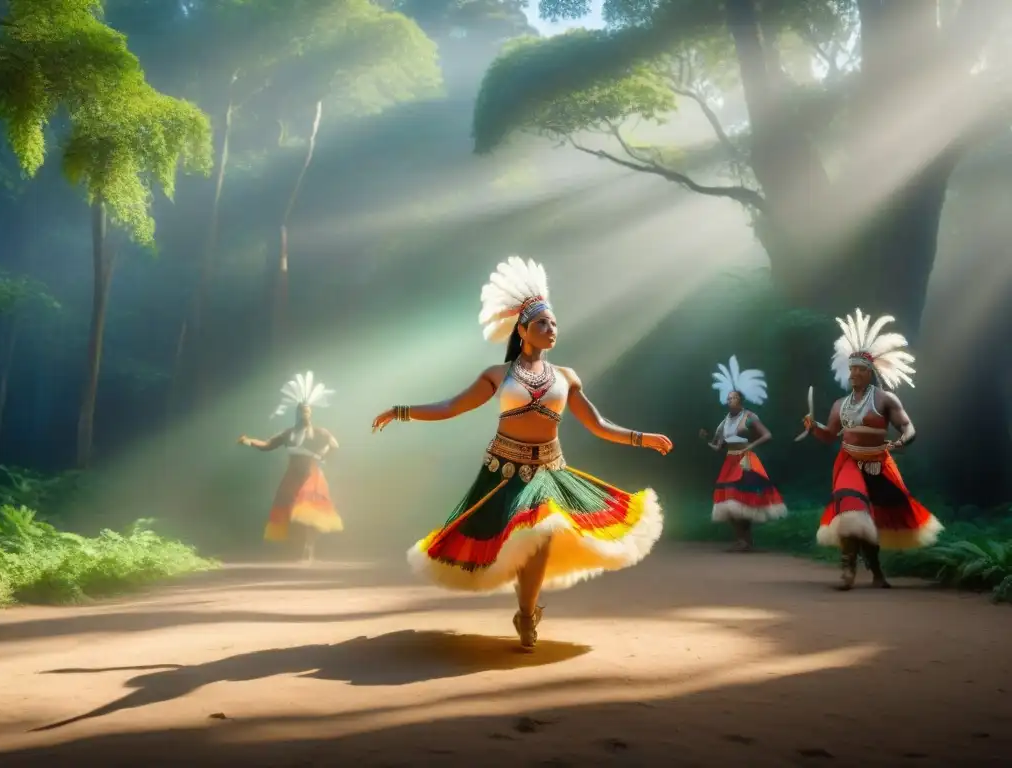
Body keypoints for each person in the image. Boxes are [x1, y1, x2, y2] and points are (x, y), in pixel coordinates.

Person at [371, 255, 672, 649]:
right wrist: (401, 412)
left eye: (554, 323)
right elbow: (451, 407)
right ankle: (526, 609)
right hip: (502, 472)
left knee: (542, 533)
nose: (551, 329)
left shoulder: (566, 377)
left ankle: (527, 615)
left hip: (550, 471)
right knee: (521, 542)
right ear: (523, 330)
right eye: (543, 323)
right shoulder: (498, 375)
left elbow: (597, 425)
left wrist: (641, 437)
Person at [801, 309, 943, 590]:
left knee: (871, 519)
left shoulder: (885, 399)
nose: (854, 374)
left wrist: (903, 441)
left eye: (859, 370)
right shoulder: (839, 405)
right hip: (848, 462)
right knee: (851, 509)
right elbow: (829, 436)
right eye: (851, 369)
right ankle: (848, 569)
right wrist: (813, 427)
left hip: (879, 462)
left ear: (870, 373)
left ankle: (876, 570)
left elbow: (908, 427)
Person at [238, 371, 343, 563]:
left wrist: (323, 454)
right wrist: (248, 441)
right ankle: (298, 547)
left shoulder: (320, 432)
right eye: (301, 411)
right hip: (292, 477)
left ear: (311, 412)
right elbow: (267, 445)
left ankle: (308, 547)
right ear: (296, 413)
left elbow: (335, 445)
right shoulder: (288, 434)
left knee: (310, 513)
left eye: (307, 410)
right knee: (291, 512)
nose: (304, 413)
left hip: (311, 477)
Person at [699, 356, 786, 552]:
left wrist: (750, 446)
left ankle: (746, 540)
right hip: (730, 462)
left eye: (734, 398)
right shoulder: (724, 422)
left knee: (742, 500)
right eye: (728, 398)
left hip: (746, 461)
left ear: (741, 400)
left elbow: (767, 435)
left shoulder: (749, 417)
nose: (730, 401)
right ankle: (742, 539)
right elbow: (718, 446)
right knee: (730, 502)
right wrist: (706, 440)